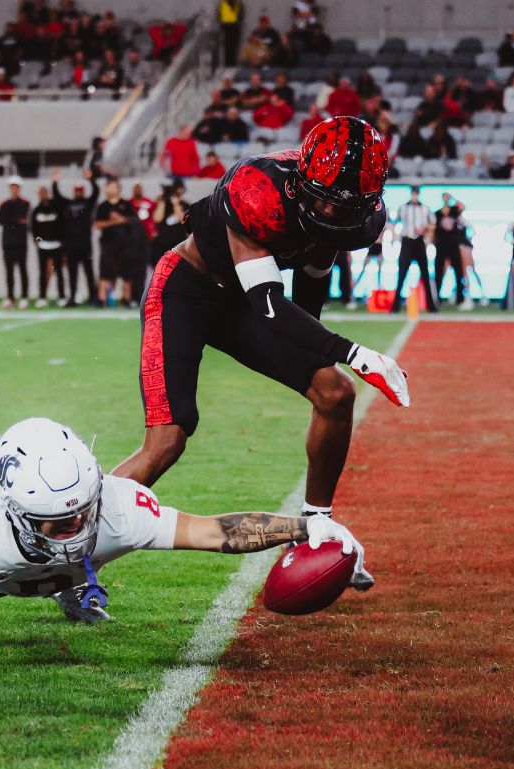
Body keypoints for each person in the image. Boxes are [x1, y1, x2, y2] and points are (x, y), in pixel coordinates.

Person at [0, 374, 365, 666]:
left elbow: (215, 531)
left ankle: (69, 590)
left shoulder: (115, 506)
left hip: (6, 543)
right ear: (15, 509)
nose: (73, 530)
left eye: (79, 515)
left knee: (73, 553)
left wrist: (304, 526)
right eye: (54, 523)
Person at [114, 117, 405, 593]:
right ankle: (74, 550)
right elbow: (270, 304)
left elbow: (310, 283)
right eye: (325, 198)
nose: (332, 211)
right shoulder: (259, 188)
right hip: (187, 288)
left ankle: (317, 529)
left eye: (345, 206)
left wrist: (318, 358)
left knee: (334, 391)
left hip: (242, 304)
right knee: (167, 439)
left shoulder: (358, 219)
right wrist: (357, 352)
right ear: (303, 180)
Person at [52, 170, 99, 307]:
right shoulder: (68, 204)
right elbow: (57, 197)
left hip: (85, 244)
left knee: (89, 272)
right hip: (71, 245)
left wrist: (91, 180)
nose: (78, 192)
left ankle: (92, 297)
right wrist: (55, 182)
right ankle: (72, 297)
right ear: (74, 191)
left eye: (80, 190)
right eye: (76, 190)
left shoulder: (88, 203)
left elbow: (96, 193)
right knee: (72, 273)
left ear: (83, 191)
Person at [390, 186, 436, 313]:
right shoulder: (403, 208)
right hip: (407, 241)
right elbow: (395, 223)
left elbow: (433, 223)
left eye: (417, 194)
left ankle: (431, 306)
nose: (415, 196)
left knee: (425, 275)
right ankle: (395, 306)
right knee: (402, 274)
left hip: (419, 242)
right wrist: (394, 239)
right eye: (413, 194)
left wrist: (425, 229)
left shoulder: (425, 208)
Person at [93, 178, 136, 307]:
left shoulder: (126, 204)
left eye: (114, 187)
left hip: (125, 244)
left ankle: (127, 299)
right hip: (108, 244)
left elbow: (133, 220)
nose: (111, 189)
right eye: (109, 187)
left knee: (126, 272)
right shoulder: (103, 206)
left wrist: (120, 218)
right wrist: (113, 221)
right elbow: (98, 224)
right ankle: (101, 299)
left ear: (119, 189)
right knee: (105, 271)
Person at [0, 176, 30, 309]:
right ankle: (10, 297)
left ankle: (24, 297)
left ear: (19, 188)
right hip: (7, 242)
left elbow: (24, 218)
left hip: (21, 242)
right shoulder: (4, 204)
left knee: (22, 270)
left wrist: (11, 220)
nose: (14, 189)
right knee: (9, 271)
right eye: (12, 187)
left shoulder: (25, 203)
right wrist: (16, 220)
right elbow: (0, 219)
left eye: (16, 186)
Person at [30, 185, 65, 308]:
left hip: (56, 245)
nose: (43, 195)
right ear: (38, 194)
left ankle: (62, 297)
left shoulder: (55, 208)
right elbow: (33, 229)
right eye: (41, 192)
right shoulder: (36, 210)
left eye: (45, 192)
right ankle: (42, 297)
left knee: (59, 271)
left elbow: (62, 225)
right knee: (43, 273)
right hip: (43, 246)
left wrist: (61, 242)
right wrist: (37, 243)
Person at [432, 193, 466, 308]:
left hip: (453, 245)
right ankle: (436, 297)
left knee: (458, 272)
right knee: (439, 272)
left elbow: (463, 206)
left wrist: (453, 198)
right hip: (441, 245)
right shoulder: (437, 213)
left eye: (448, 197)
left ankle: (460, 299)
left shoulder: (454, 211)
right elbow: (433, 229)